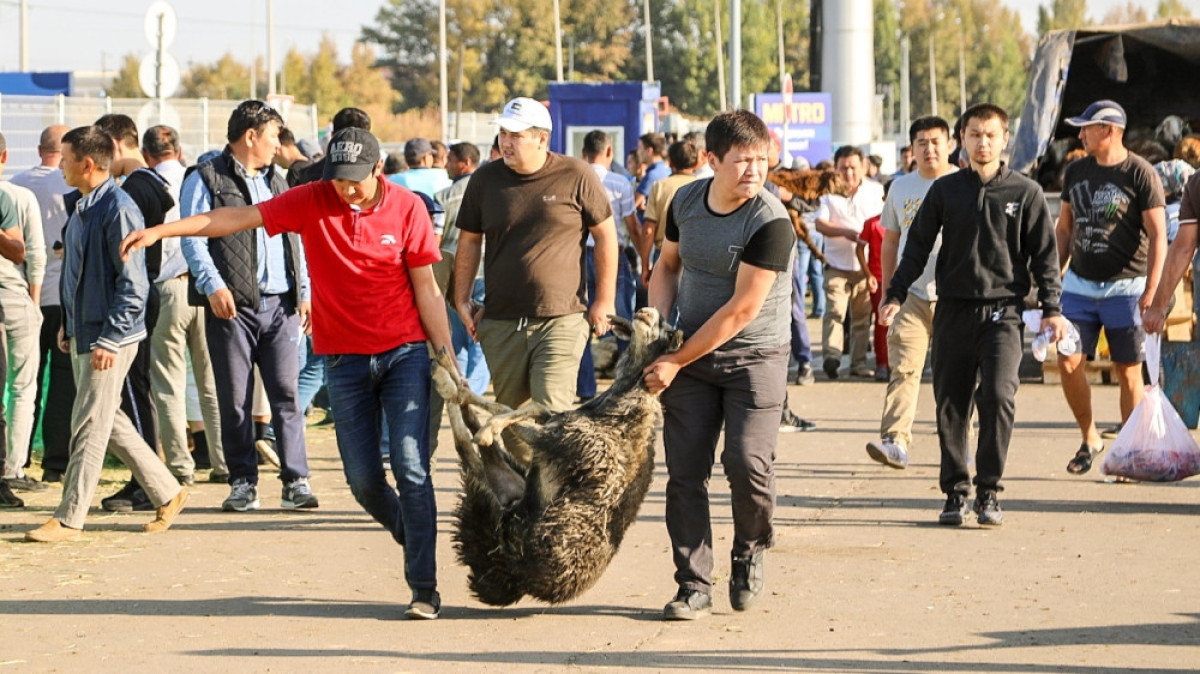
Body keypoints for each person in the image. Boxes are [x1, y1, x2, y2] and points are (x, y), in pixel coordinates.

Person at [121, 126, 456, 619]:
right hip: (343, 359)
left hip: (404, 352)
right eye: (338, 180)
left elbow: (426, 287)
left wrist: (444, 356)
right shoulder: (313, 199)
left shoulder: (406, 208)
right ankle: (414, 534)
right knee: (363, 481)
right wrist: (164, 230)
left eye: (356, 181)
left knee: (410, 465)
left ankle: (423, 586)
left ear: (378, 171)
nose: (346, 190)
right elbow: (232, 218)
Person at [879, 103, 1066, 527]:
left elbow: (1045, 257)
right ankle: (955, 492)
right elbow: (917, 246)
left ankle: (989, 492)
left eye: (991, 135)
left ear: (1004, 141)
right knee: (951, 404)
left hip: (1004, 314)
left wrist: (1052, 308)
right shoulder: (945, 191)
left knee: (999, 397)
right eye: (975, 134)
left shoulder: (1026, 193)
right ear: (961, 139)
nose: (983, 143)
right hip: (953, 311)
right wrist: (894, 292)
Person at [643, 109, 795, 620]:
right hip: (689, 357)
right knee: (685, 474)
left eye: (761, 159)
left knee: (747, 464)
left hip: (755, 357)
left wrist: (674, 359)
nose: (755, 170)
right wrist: (656, 329)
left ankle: (750, 549)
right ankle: (693, 585)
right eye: (742, 160)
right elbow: (667, 266)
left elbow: (741, 311)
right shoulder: (685, 200)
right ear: (711, 161)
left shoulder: (770, 221)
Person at [25, 125, 188, 542]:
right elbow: (76, 274)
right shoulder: (81, 207)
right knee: (107, 419)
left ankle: (69, 517)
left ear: (87, 163)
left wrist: (111, 338)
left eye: (65, 158)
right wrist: (68, 322)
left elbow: (133, 284)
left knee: (88, 424)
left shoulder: (118, 208)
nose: (59, 165)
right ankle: (167, 491)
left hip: (110, 336)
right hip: (85, 330)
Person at [180, 100, 315, 513]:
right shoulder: (205, 178)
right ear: (250, 135)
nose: (279, 144)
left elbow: (298, 236)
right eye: (273, 135)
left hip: (281, 307)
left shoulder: (281, 181)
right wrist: (213, 285)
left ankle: (296, 481)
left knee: (287, 395)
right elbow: (193, 237)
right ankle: (242, 483)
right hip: (231, 310)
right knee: (234, 398)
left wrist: (305, 290)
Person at [453, 97, 617, 414]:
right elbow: (470, 241)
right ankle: (522, 467)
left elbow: (606, 235)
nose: (506, 142)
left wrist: (605, 299)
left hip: (562, 318)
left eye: (516, 135)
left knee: (549, 413)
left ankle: (551, 466)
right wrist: (461, 296)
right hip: (501, 321)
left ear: (542, 138)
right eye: (503, 133)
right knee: (512, 423)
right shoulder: (484, 180)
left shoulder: (577, 174)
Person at [1054, 100, 1167, 475]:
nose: (1081, 134)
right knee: (1068, 361)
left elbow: (1158, 235)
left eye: (1088, 128)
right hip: (1079, 287)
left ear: (1110, 130)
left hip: (1127, 288)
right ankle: (1089, 437)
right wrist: (1051, 277)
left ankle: (1129, 452)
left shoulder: (1141, 174)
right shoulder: (1076, 171)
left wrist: (1152, 291)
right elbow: (1065, 228)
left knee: (1128, 371)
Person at [866, 116, 957, 469]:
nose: (929, 149)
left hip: (955, 295)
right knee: (904, 368)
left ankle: (957, 446)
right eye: (922, 142)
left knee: (954, 377)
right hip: (911, 295)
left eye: (936, 141)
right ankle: (895, 441)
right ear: (912, 149)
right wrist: (892, 292)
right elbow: (890, 241)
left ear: (950, 145)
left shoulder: (964, 183)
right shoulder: (901, 188)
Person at [142, 125, 228, 486]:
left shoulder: (144, 185)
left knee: (168, 382)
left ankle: (181, 466)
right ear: (178, 151)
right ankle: (225, 462)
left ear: (148, 155)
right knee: (213, 380)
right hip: (206, 287)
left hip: (167, 288)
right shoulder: (199, 179)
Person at [10, 125, 74, 483]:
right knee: (63, 381)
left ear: (38, 149)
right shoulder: (70, 184)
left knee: (24, 382)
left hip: (23, 292)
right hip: (61, 295)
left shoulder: (17, 184)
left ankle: (19, 461)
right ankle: (56, 462)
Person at [0, 132, 48, 494]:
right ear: (5, 156)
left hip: (13, 299)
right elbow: (32, 253)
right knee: (23, 387)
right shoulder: (18, 195)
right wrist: (34, 301)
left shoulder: (14, 191)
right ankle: (13, 466)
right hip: (15, 296)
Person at [816, 145, 884, 379]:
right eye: (843, 168)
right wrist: (846, 232)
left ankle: (858, 363)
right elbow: (820, 224)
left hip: (867, 268)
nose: (849, 173)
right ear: (836, 168)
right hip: (836, 265)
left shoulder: (875, 191)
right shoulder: (828, 193)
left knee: (862, 320)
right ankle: (832, 357)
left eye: (853, 167)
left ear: (863, 166)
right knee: (835, 312)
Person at [641, 139, 698, 285]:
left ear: (670, 162)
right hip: (695, 255)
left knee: (663, 305)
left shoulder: (659, 186)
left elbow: (648, 230)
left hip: (664, 255)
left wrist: (645, 265)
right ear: (696, 163)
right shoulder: (702, 187)